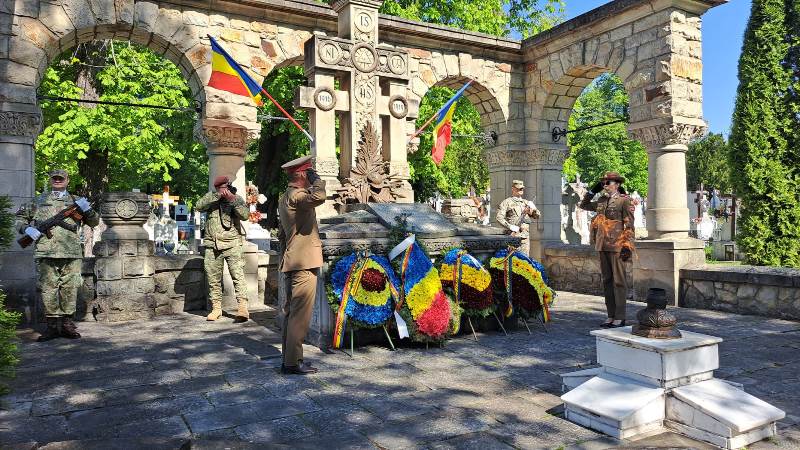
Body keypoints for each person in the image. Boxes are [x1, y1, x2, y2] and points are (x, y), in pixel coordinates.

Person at [16, 169, 100, 341]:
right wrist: (27, 228)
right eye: (54, 178)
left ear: (67, 180)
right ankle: (52, 326)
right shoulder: (38, 200)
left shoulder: (77, 201)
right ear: (50, 180)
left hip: (71, 252)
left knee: (70, 288)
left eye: (61, 178)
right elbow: (19, 220)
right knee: (48, 288)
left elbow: (94, 222)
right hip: (46, 251)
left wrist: (88, 210)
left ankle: (67, 325)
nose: (57, 180)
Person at [278, 156, 326, 375]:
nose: (310, 177)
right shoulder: (297, 195)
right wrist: (318, 180)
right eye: (308, 173)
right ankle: (292, 363)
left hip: (294, 260)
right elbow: (319, 196)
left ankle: (290, 359)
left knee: (291, 313)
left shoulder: (285, 197)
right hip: (303, 263)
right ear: (300, 175)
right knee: (299, 315)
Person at [578, 172, 635, 328]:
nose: (604, 185)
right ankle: (611, 315)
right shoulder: (602, 200)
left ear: (617, 184)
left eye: (607, 182)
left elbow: (629, 225)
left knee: (619, 282)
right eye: (602, 183)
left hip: (617, 246)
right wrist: (592, 191)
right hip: (602, 245)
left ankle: (620, 316)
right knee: (607, 281)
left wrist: (627, 246)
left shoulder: (624, 201)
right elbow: (583, 205)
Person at [196, 175, 250, 323]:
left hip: (232, 244)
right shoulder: (211, 197)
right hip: (212, 244)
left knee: (238, 276)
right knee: (213, 279)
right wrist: (215, 196)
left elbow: (245, 215)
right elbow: (198, 206)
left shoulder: (236, 198)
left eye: (225, 188)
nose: (223, 191)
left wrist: (232, 200)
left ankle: (243, 307)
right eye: (221, 188)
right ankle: (216, 308)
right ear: (217, 188)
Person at [495, 180, 540, 255]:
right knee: (513, 260)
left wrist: (533, 211)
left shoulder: (526, 203)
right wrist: (510, 227)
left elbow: (537, 216)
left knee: (525, 261)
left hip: (525, 238)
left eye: (522, 188)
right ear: (513, 189)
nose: (521, 190)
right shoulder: (507, 202)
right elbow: (499, 218)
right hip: (513, 236)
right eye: (518, 188)